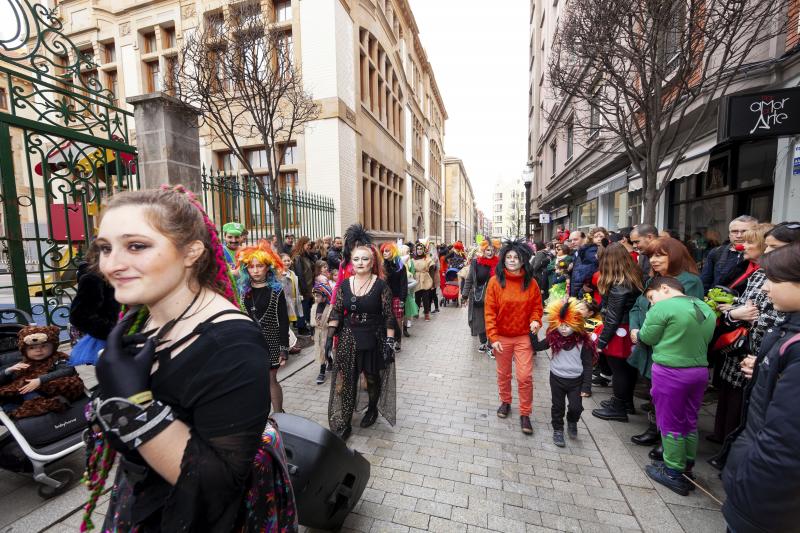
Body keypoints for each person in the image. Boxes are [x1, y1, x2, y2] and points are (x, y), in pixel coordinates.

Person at [85, 186, 271, 531]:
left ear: (191, 252)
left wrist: (136, 408)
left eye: (136, 246)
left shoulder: (233, 345)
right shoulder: (140, 318)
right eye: (105, 248)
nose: (111, 265)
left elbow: (218, 486)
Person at [721, 242, 800, 532]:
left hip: (767, 497)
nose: (765, 288)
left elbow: (785, 440)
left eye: (774, 280)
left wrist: (746, 480)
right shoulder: (789, 327)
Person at [638, 276, 716, 495]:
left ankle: (673, 472)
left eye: (651, 298)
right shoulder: (703, 306)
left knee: (670, 422)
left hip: (671, 372)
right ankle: (686, 468)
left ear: (664, 288)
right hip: (699, 371)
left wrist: (638, 333)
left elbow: (647, 336)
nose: (652, 303)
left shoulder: (663, 309)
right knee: (690, 421)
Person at [628, 237, 703, 452]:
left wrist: (646, 332)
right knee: (656, 394)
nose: (653, 260)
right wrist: (635, 329)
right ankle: (654, 429)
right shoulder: (655, 278)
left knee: (672, 401)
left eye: (659, 255)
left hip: (670, 348)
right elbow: (637, 306)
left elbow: (688, 318)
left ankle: (668, 442)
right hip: (646, 344)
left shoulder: (689, 282)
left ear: (675, 255)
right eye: (651, 255)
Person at [708, 223, 773, 445]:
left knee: (739, 398)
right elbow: (745, 305)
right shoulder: (753, 270)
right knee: (727, 392)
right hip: (735, 343)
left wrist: (737, 312)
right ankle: (721, 438)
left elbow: (759, 312)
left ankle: (728, 446)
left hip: (750, 348)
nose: (742, 244)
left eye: (749, 241)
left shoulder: (768, 275)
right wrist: (734, 308)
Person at [326, 245, 397, 441]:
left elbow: (389, 315)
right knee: (348, 379)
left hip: (373, 337)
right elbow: (338, 311)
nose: (360, 263)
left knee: (372, 378)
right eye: (356, 259)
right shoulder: (344, 285)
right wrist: (330, 335)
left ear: (372, 262)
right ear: (351, 262)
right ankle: (346, 421)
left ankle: (372, 409)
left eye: (364, 259)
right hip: (349, 336)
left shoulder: (381, 286)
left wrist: (390, 342)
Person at [484, 239, 544, 435]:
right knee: (503, 374)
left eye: (516, 257)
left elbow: (536, 306)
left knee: (525, 376)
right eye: (508, 257)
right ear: (503, 259)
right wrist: (493, 338)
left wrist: (536, 320)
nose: (512, 260)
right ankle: (505, 402)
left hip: (522, 337)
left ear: (523, 260)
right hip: (501, 337)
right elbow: (490, 312)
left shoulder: (531, 282)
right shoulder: (495, 282)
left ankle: (525, 413)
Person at [591, 243, 643, 421]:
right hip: (627, 329)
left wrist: (601, 342)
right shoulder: (632, 278)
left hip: (619, 331)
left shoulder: (619, 284)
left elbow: (613, 317)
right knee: (627, 370)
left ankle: (619, 407)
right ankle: (625, 402)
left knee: (619, 371)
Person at [238, 240, 290, 414]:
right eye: (251, 267)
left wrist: (284, 347)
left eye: (259, 266)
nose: (255, 270)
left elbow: (283, 320)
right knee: (254, 381)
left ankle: (279, 414)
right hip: (250, 342)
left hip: (272, 340)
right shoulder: (244, 291)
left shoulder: (276, 290)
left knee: (270, 379)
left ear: (268, 267)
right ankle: (260, 416)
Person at [0, 325, 85, 419]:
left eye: (43, 346)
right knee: (19, 389)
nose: (38, 350)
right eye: (32, 348)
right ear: (25, 351)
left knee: (27, 387)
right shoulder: (23, 363)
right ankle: (20, 409)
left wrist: (40, 380)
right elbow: (10, 381)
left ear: (53, 346)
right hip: (30, 393)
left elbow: (66, 370)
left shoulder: (58, 357)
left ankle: (41, 405)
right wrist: (8, 371)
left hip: (56, 387)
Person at [545, 299, 594, 448]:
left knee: (575, 407)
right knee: (557, 406)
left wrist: (586, 386)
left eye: (568, 326)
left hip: (575, 381)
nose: (564, 329)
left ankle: (572, 421)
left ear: (576, 325)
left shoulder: (583, 342)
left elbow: (587, 365)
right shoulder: (553, 339)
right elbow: (537, 346)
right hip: (556, 378)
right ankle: (558, 429)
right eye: (561, 326)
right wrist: (532, 332)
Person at [700, 215, 758, 292]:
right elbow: (705, 282)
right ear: (729, 234)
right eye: (734, 231)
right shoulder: (716, 252)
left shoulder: (761, 254)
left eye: (744, 231)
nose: (739, 236)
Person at [462, 239, 499, 358]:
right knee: (479, 321)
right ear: (483, 250)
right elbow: (469, 279)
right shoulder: (476, 263)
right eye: (488, 250)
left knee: (492, 321)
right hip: (478, 297)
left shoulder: (498, 264)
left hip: (493, 297)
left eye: (492, 250)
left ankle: (490, 345)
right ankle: (483, 342)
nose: (490, 252)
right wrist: (464, 294)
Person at [380, 242, 408, 351]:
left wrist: (402, 298)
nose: (385, 253)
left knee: (397, 320)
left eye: (387, 251)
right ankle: (389, 339)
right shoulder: (382, 266)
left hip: (397, 297)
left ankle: (398, 340)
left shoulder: (400, 266)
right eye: (383, 251)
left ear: (393, 251)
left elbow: (403, 283)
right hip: (385, 297)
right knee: (387, 319)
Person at [311, 282, 334, 384]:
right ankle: (328, 364)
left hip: (326, 333)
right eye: (315, 296)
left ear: (324, 297)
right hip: (317, 333)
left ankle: (322, 371)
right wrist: (312, 333)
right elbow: (312, 321)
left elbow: (332, 323)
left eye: (318, 296)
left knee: (325, 350)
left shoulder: (330, 308)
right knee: (321, 350)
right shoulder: (314, 307)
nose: (316, 298)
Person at [291, 237, 315, 335]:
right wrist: (304, 289)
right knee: (302, 308)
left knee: (306, 308)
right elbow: (300, 275)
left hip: (309, 287)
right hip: (303, 288)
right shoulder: (298, 257)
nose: (309, 247)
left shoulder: (306, 256)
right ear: (302, 244)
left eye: (310, 245)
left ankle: (305, 325)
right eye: (308, 245)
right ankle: (301, 328)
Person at [569, 231, 599, 298]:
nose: (572, 242)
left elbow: (593, 271)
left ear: (584, 238)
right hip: (577, 291)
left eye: (575, 239)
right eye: (571, 240)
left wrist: (584, 289)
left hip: (585, 294)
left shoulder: (590, 251)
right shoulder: (577, 252)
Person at [280, 252, 303, 334]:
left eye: (288, 260)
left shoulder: (292, 273)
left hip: (292, 301)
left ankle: (291, 341)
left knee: (290, 323)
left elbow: (296, 286)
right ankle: (288, 342)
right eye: (284, 261)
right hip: (284, 303)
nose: (287, 262)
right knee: (285, 323)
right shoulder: (278, 274)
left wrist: (299, 296)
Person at [411, 242, 435, 321]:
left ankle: (426, 314)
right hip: (416, 279)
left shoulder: (428, 259)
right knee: (417, 297)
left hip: (425, 279)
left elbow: (432, 271)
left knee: (425, 298)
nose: (419, 250)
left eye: (421, 249)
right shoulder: (413, 259)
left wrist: (432, 283)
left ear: (424, 250)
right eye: (418, 249)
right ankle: (416, 312)